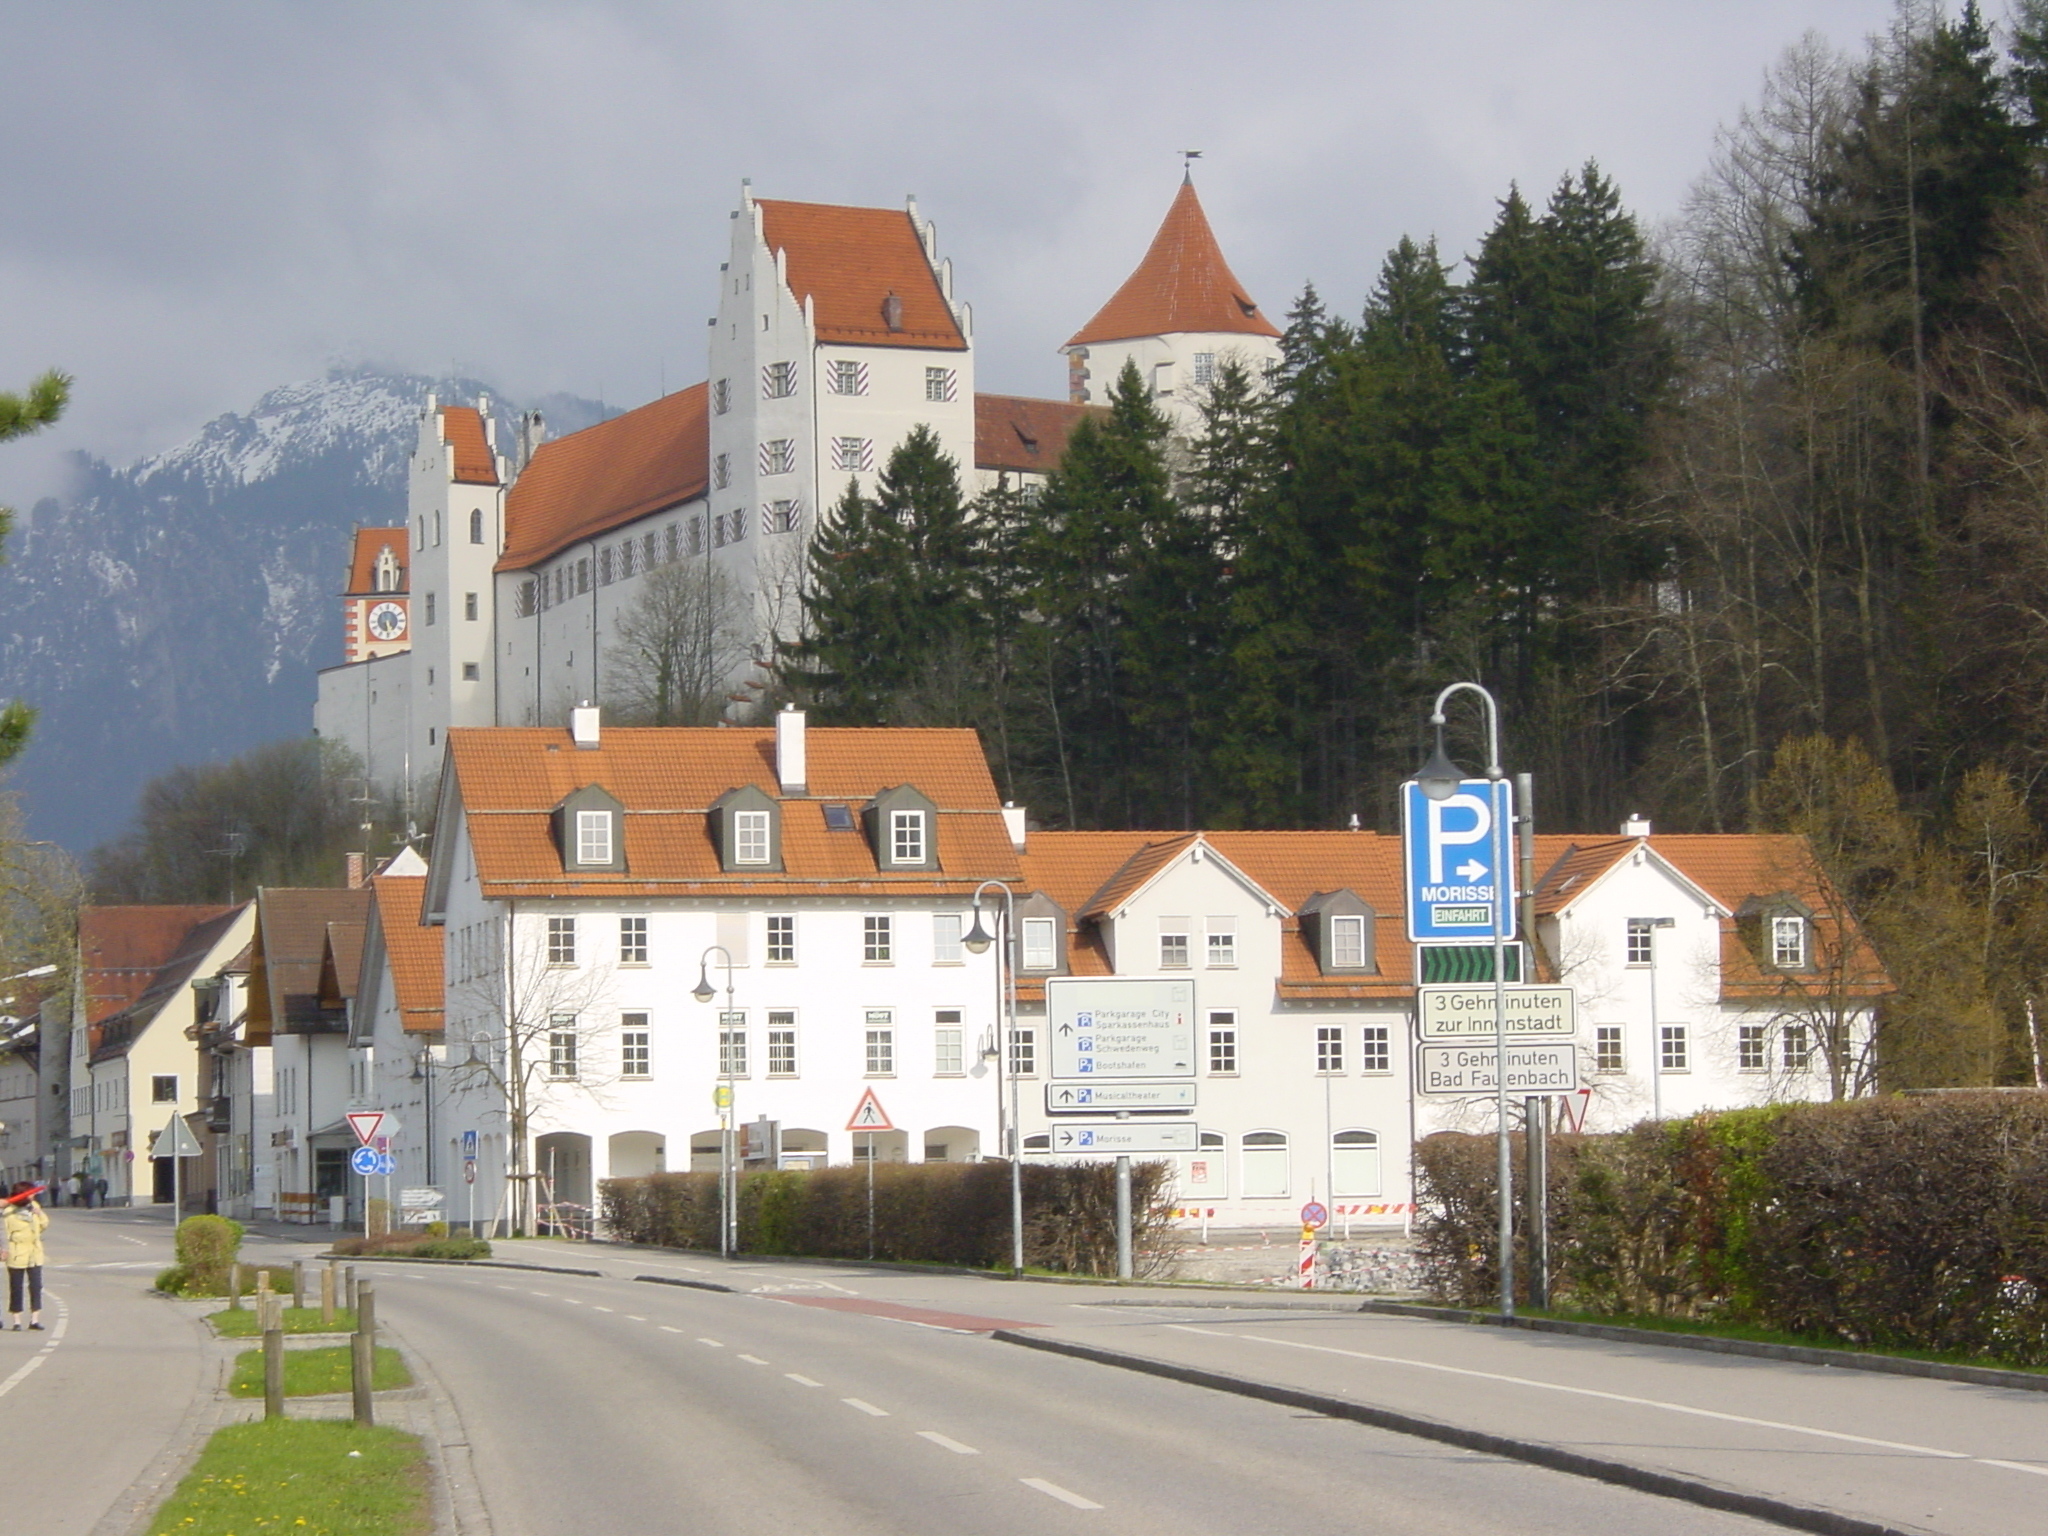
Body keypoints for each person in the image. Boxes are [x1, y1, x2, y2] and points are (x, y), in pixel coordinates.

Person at [3, 1183, 48, 1330]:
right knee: (16, 1287)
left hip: (34, 1252)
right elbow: (4, 1232)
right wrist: (3, 1249)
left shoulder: (34, 1206)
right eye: (30, 1193)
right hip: (16, 1252)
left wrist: (39, 1214)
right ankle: (17, 1321)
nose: (33, 1195)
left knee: (36, 1286)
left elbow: (44, 1225)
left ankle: (34, 1320)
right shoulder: (9, 1211)